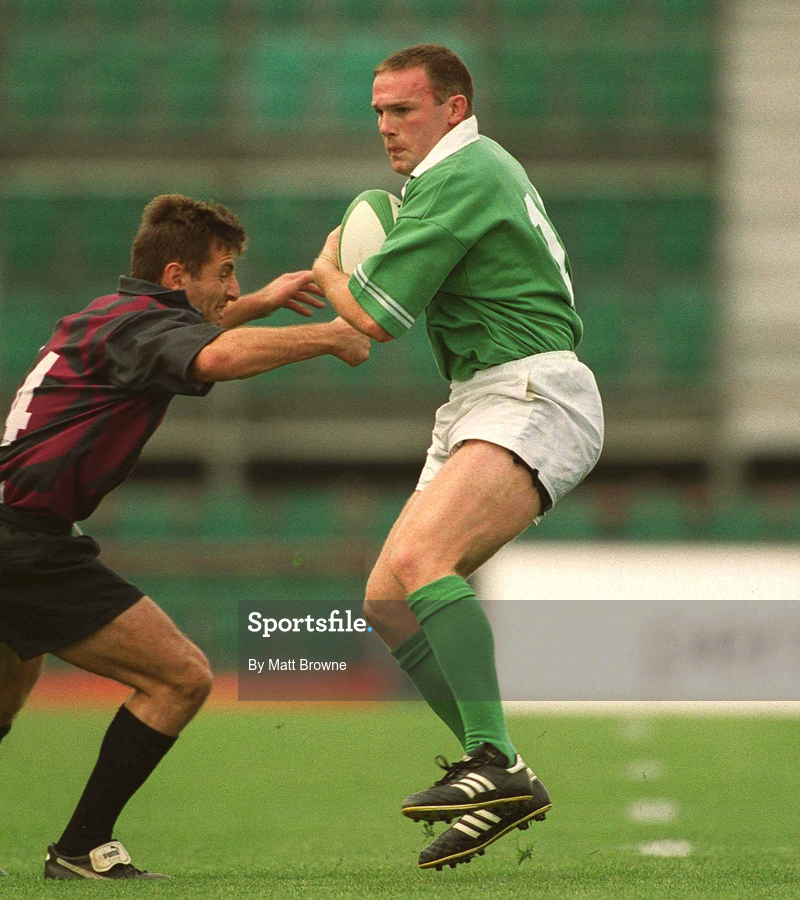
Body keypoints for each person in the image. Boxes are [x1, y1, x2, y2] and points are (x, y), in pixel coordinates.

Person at [0, 194, 370, 881]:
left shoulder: (109, 313)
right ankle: (81, 847)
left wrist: (268, 301)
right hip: (27, 547)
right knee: (181, 678)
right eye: (225, 272)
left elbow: (198, 334)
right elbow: (213, 358)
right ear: (178, 275)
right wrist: (330, 336)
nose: (233, 287)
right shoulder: (147, 329)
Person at [311, 44, 604, 870]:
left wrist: (332, 269)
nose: (387, 128)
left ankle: (493, 762)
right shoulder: (451, 180)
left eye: (402, 111)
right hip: (480, 397)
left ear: (453, 108)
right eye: (378, 113)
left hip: (532, 390)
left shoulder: (462, 173)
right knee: (387, 599)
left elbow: (372, 318)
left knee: (419, 557)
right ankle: (503, 770)